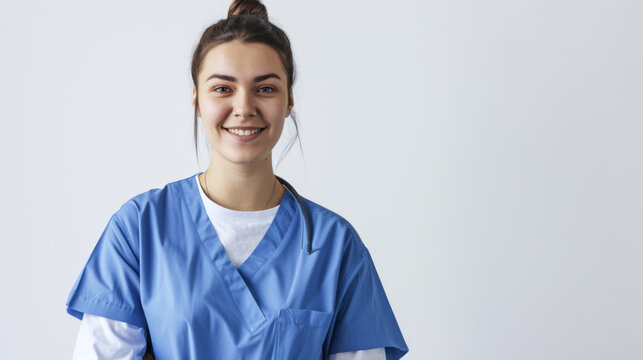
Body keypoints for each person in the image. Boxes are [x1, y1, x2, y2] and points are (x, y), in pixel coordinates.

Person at [65, 0, 409, 358]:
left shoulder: (334, 248)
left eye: (265, 89)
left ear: (289, 100)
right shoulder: (139, 230)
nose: (244, 107)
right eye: (223, 88)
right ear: (197, 100)